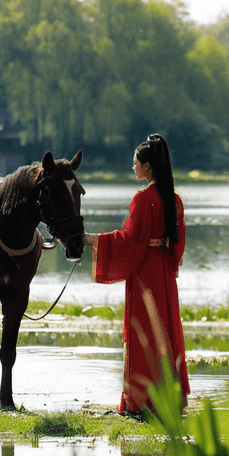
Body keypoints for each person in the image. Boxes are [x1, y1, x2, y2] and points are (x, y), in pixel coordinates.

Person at [83, 133, 190, 415]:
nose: (133, 167)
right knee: (165, 331)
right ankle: (168, 397)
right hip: (164, 272)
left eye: (135, 162)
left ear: (148, 167)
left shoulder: (143, 199)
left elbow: (129, 240)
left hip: (145, 274)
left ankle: (140, 401)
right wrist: (169, 263)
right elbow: (178, 242)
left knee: (143, 332)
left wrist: (93, 240)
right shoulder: (174, 199)